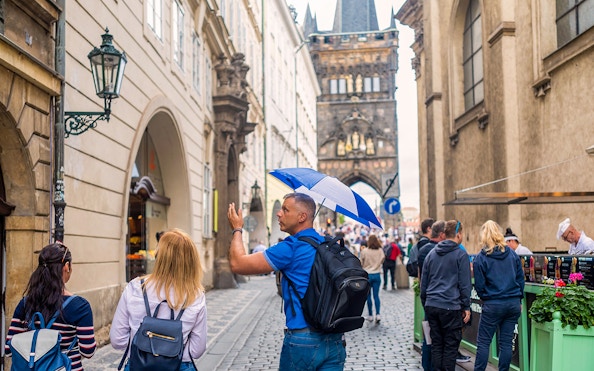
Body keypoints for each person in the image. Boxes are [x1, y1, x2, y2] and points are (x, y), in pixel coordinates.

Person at [227, 193, 346, 370]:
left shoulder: (291, 247)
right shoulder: (328, 244)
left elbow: (238, 264)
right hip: (335, 340)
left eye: (285, 209)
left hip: (303, 339)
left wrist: (237, 229)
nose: (279, 214)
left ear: (302, 217)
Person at [110, 229, 207, 370]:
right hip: (180, 366)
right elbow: (197, 350)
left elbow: (117, 340)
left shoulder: (136, 287)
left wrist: (145, 348)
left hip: (139, 364)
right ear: (191, 260)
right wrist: (171, 350)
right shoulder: (196, 295)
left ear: (159, 257)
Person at [5, 243, 97, 370]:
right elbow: (88, 352)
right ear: (66, 266)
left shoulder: (26, 303)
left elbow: (9, 350)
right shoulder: (80, 306)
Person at [473, 221, 525, 371]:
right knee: (506, 343)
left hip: (493, 304)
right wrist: (518, 298)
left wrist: (486, 298)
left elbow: (480, 285)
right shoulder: (512, 254)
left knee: (483, 343)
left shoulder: (481, 258)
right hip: (512, 303)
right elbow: (520, 279)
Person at [421, 220, 472, 371]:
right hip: (451, 306)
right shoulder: (460, 254)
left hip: (432, 305)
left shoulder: (431, 254)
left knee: (437, 345)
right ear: (458, 234)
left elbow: (424, 284)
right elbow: (465, 284)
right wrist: (466, 306)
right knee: (450, 347)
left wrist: (427, 304)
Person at [361, 234, 385, 324]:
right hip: (377, 274)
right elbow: (382, 260)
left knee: (368, 296)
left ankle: (370, 315)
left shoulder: (364, 251)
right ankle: (378, 314)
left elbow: (361, 262)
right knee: (376, 296)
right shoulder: (380, 251)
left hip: (367, 275)